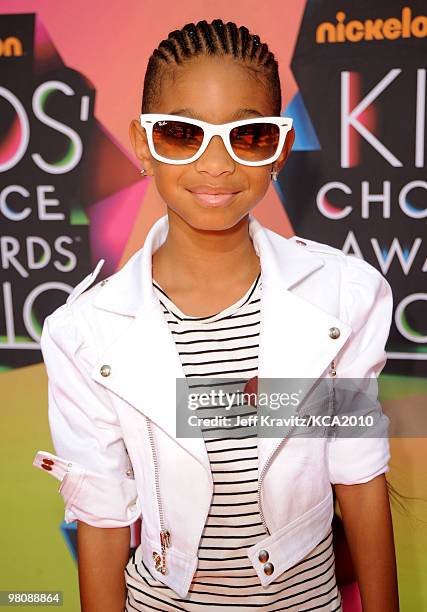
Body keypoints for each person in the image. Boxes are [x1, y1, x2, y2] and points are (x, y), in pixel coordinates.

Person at [33, 19, 399, 612]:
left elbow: (359, 478)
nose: (215, 164)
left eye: (247, 136)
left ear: (278, 147)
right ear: (144, 143)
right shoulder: (84, 333)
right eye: (182, 134)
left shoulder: (345, 297)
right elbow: (101, 519)